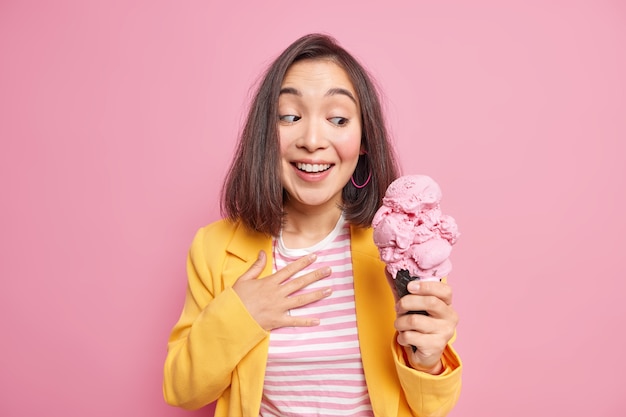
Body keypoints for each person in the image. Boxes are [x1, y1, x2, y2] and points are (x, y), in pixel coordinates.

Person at [163, 33, 462, 416]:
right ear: (265, 136)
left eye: (338, 119)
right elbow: (181, 391)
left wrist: (429, 361)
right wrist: (240, 315)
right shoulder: (214, 248)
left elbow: (431, 409)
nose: (313, 140)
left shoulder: (398, 247)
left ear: (364, 139)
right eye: (290, 116)